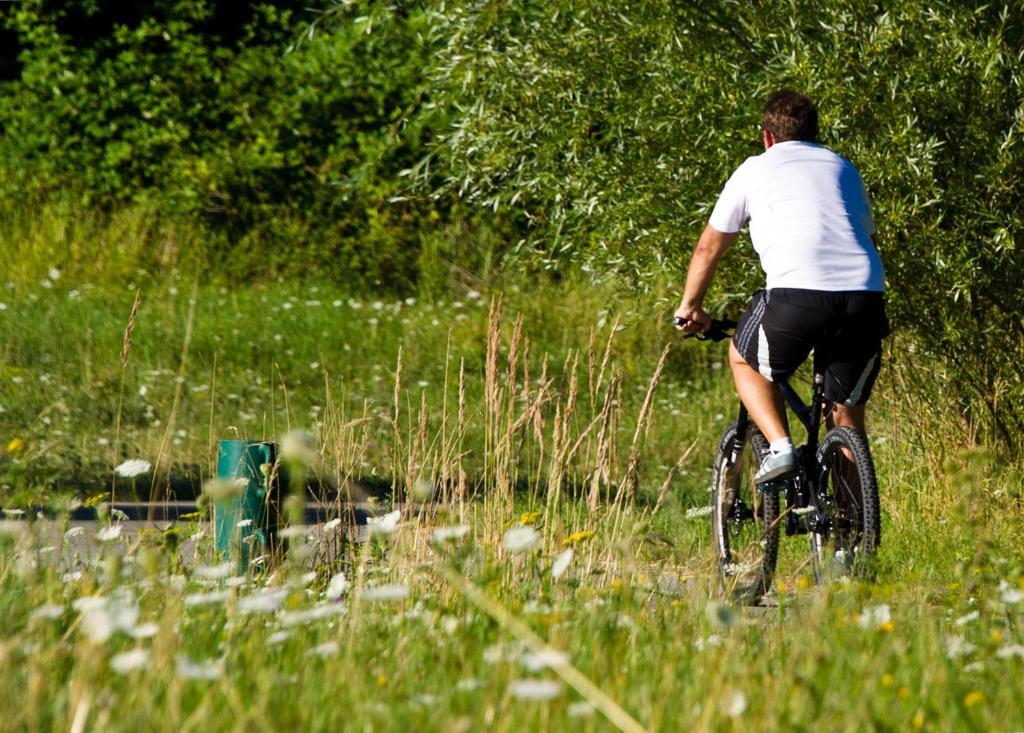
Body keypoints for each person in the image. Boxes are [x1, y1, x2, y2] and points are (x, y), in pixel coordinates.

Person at [674, 89, 888, 483]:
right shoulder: (844, 167)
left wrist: (689, 308)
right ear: (814, 133)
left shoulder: (757, 168)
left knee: (744, 358)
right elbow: (868, 241)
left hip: (798, 295)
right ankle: (851, 535)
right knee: (845, 418)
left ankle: (780, 446)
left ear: (767, 136)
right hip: (865, 295)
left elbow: (708, 248)